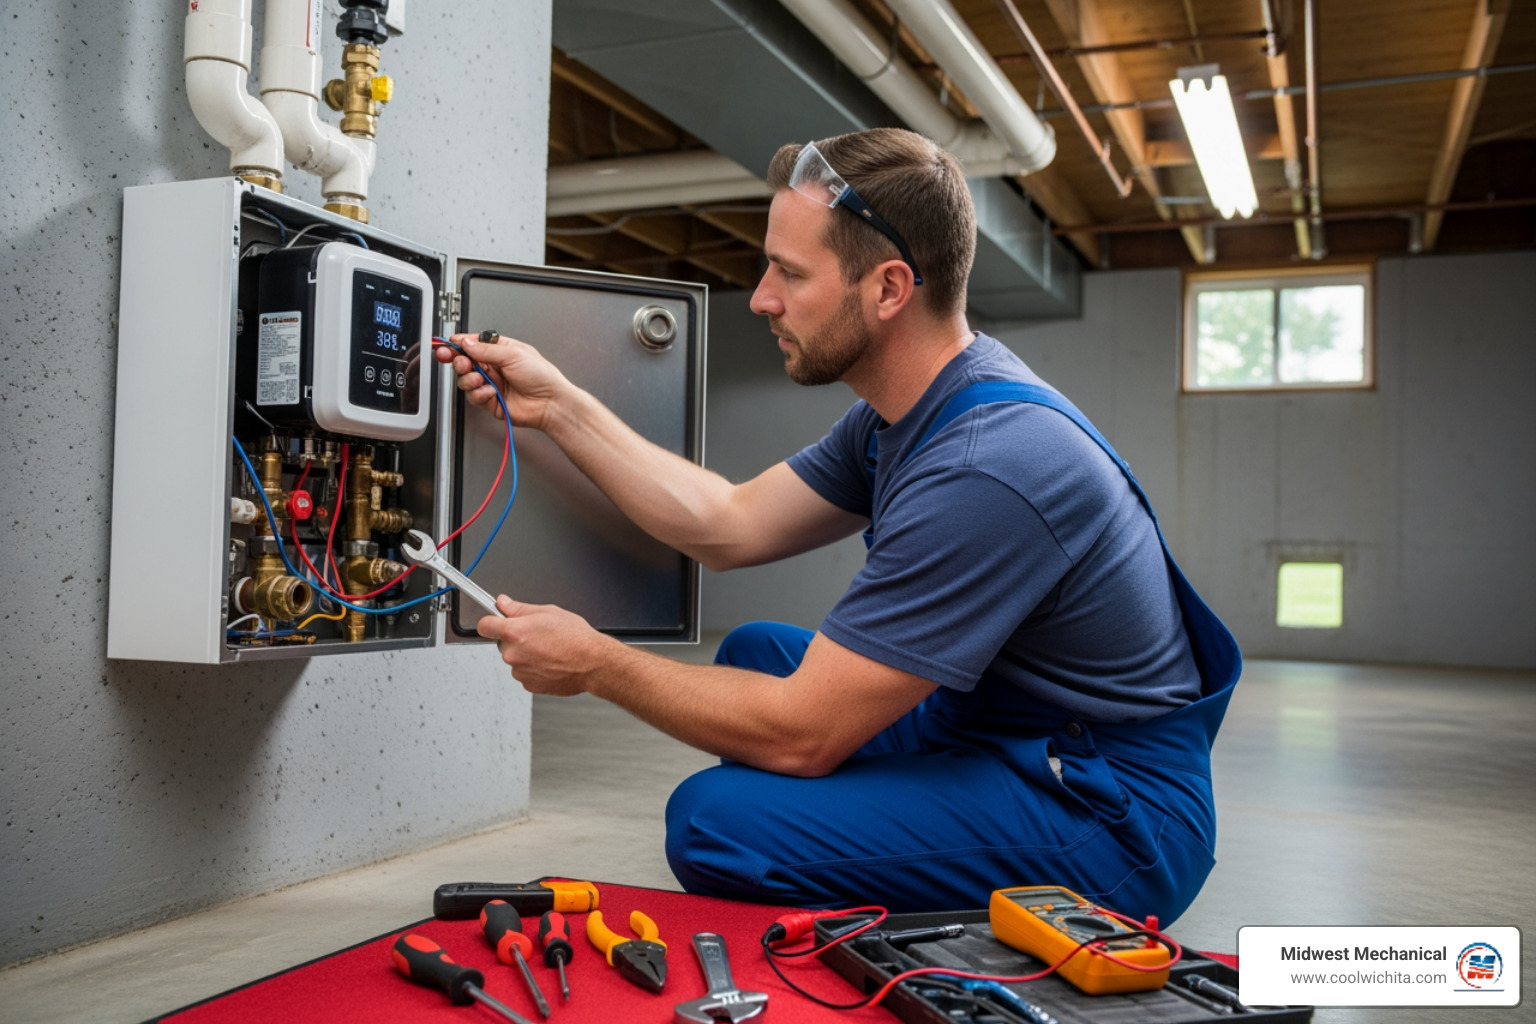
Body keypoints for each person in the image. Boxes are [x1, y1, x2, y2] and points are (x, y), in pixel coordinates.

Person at [434, 127, 1240, 923]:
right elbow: (728, 523)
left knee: (717, 822)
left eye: (788, 271)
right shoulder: (910, 411)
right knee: (756, 653)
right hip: (1003, 728)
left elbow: (802, 738)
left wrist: (600, 665)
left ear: (889, 289)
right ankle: (893, 844)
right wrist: (559, 407)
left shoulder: (985, 464)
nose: (761, 298)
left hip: (1112, 810)